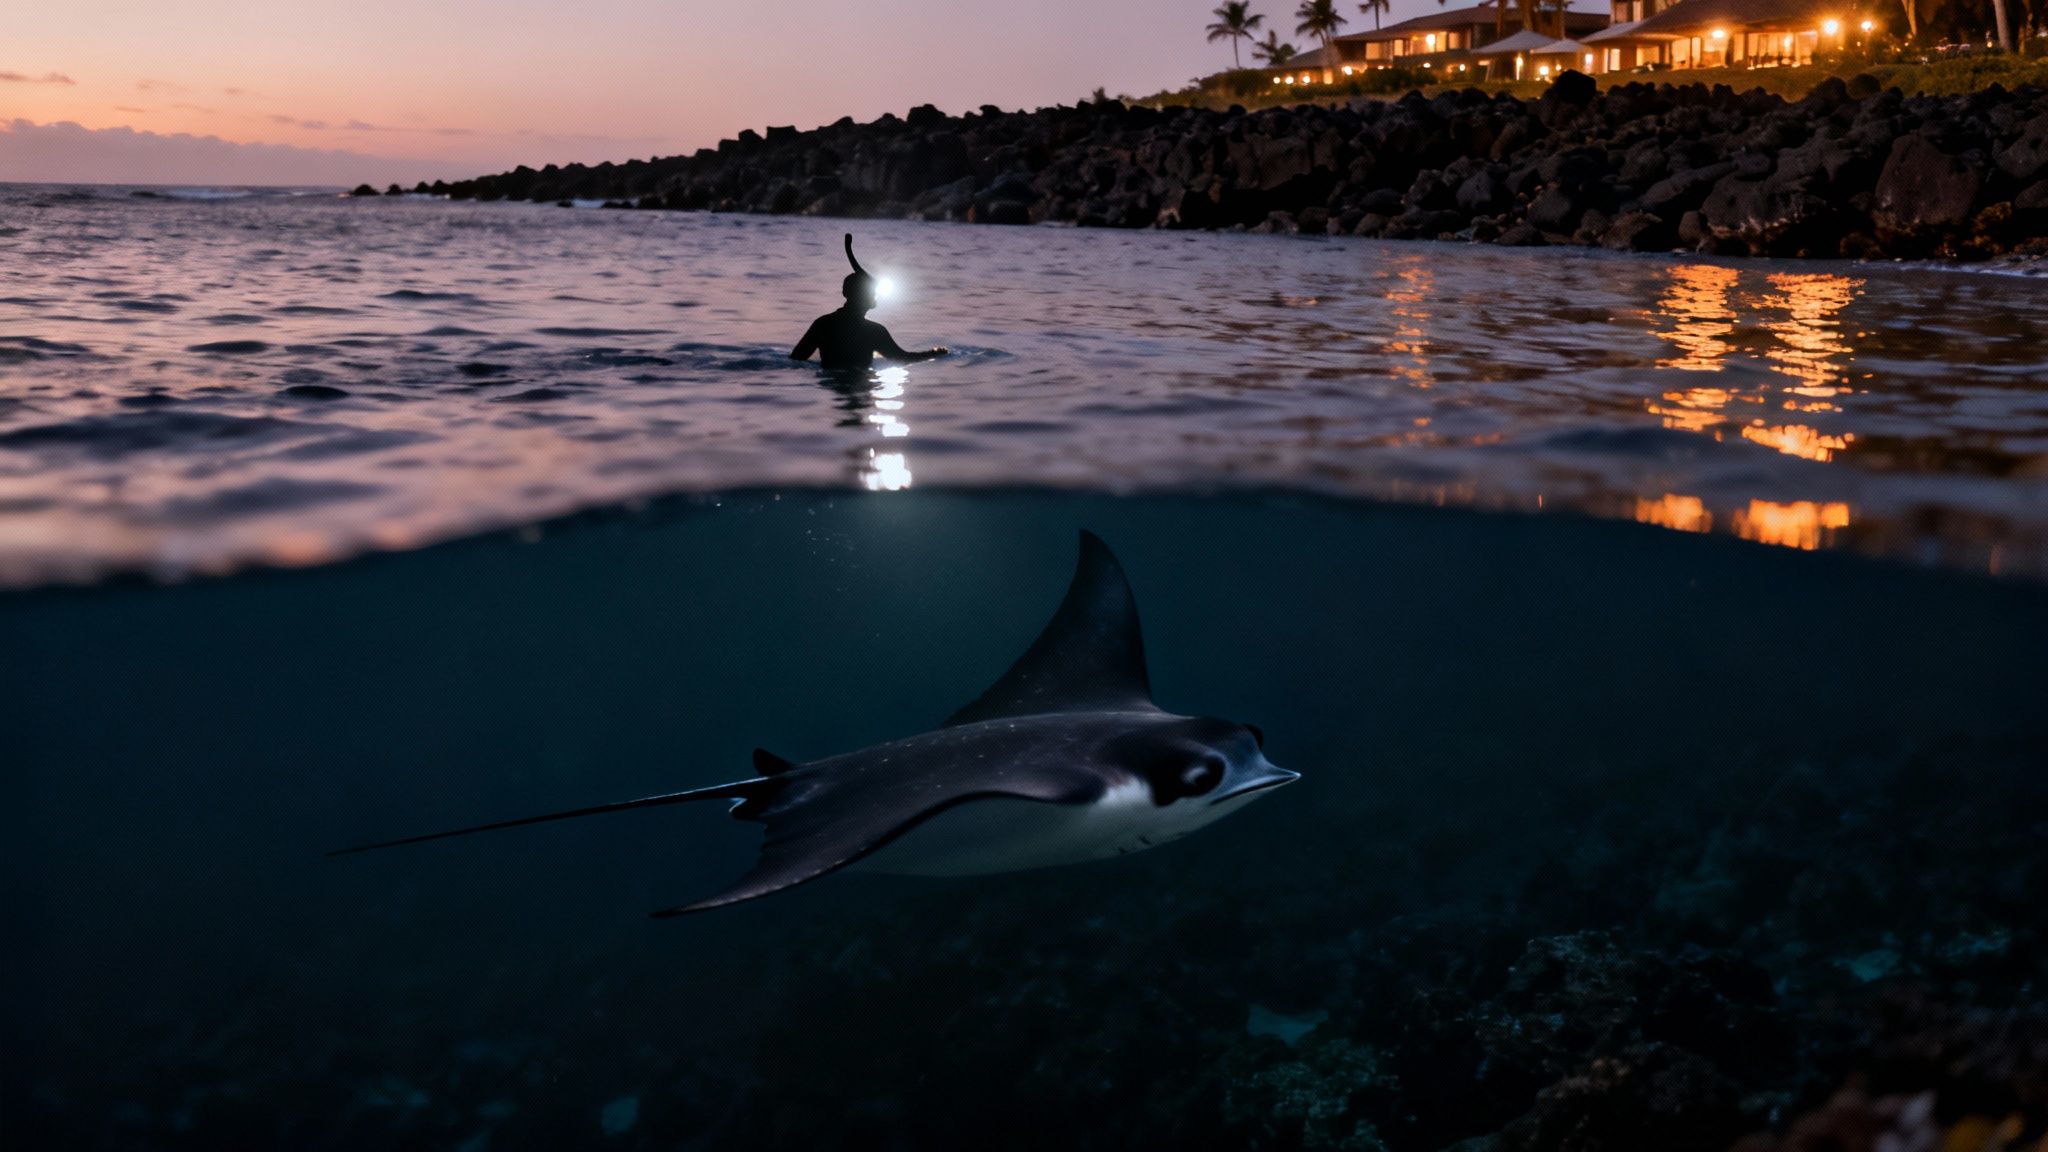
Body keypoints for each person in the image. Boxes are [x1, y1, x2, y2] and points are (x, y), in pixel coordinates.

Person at [790, 234, 948, 371]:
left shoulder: (823, 324)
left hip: (830, 386)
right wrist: (934, 353)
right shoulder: (874, 331)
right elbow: (902, 359)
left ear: (846, 293)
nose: (876, 295)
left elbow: (795, 360)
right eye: (872, 292)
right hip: (859, 381)